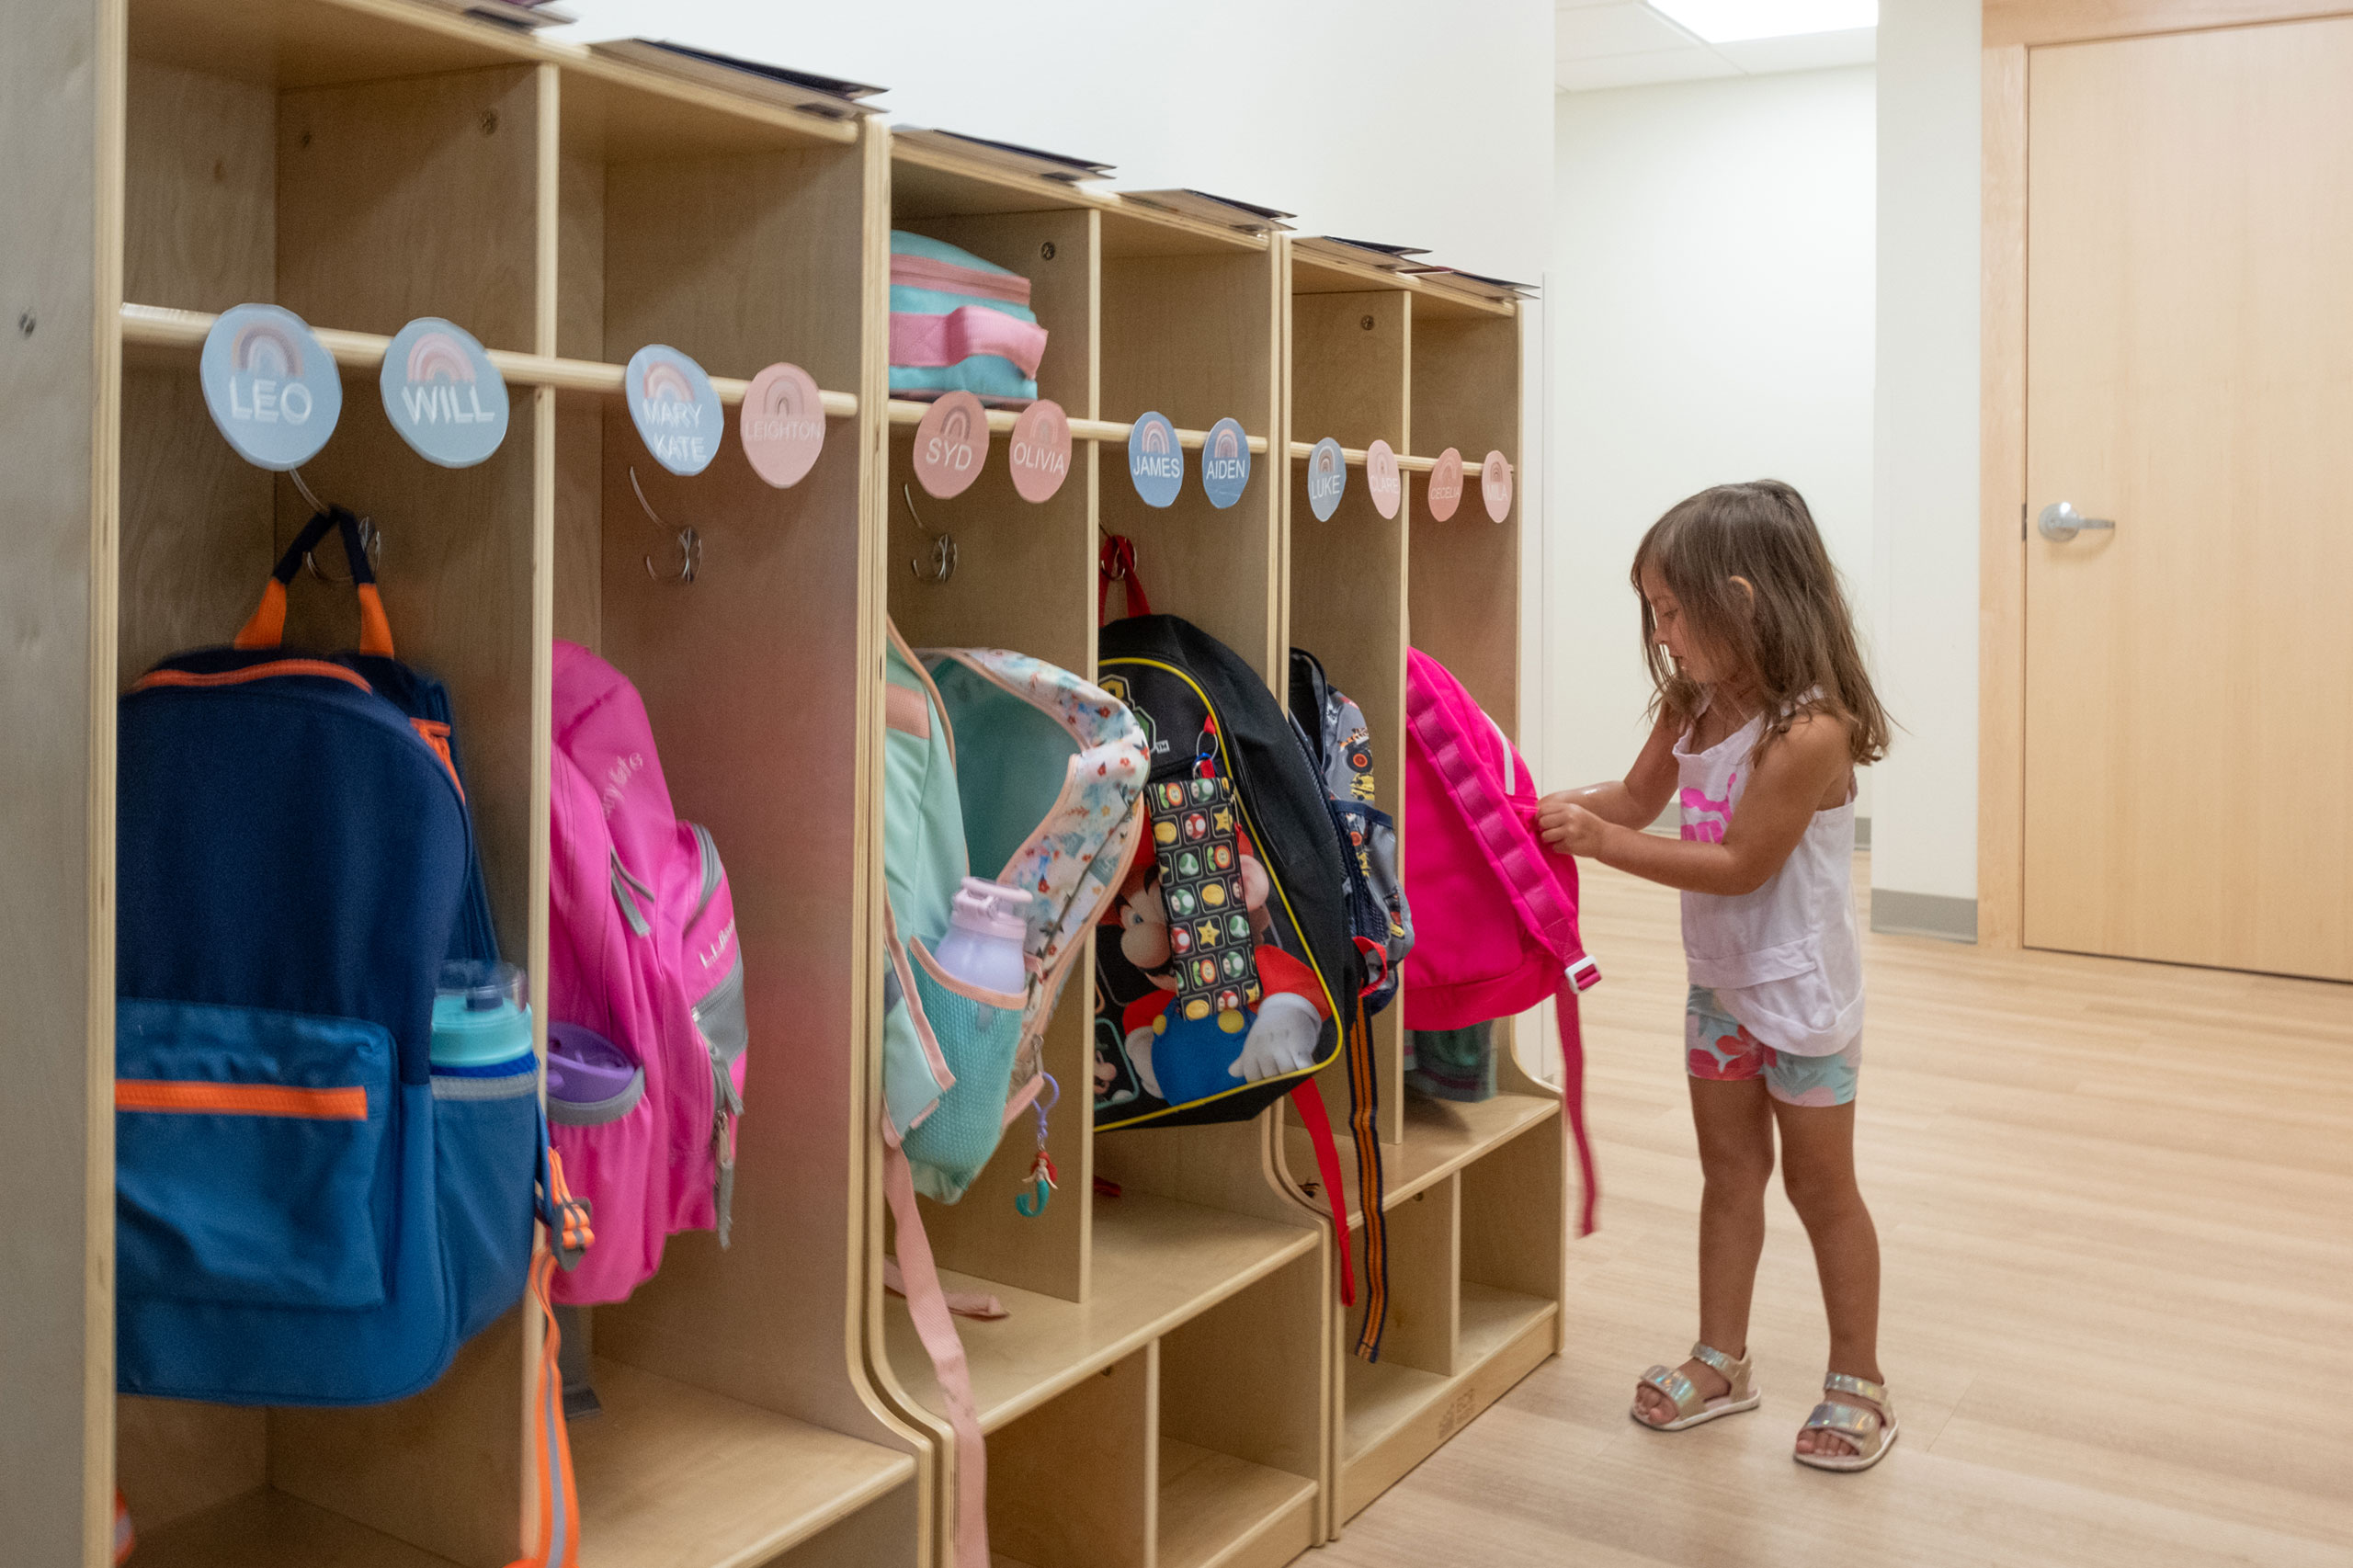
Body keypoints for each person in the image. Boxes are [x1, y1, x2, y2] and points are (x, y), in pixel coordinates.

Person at [1538, 480, 1895, 1472]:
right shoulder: (1693, 703)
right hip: (1720, 987)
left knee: (1824, 1192)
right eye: (1652, 609)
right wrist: (1535, 803)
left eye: (1668, 608)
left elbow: (1741, 862)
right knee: (1728, 1174)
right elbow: (1636, 795)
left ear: (1737, 599)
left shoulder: (1807, 731)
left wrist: (1602, 842)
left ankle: (1858, 1376)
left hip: (1802, 996)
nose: (1660, 633)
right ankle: (1721, 1357)